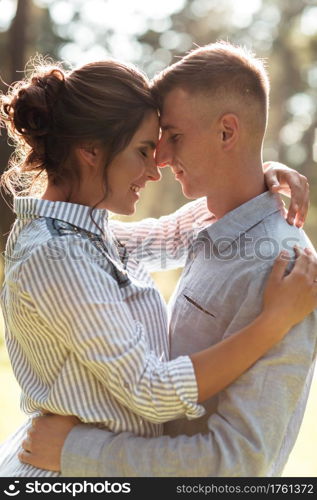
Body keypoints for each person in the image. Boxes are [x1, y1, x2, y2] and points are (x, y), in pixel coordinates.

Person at [0, 52, 315, 477]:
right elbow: (151, 390)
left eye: (171, 138)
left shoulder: (87, 236)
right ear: (91, 151)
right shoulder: (59, 253)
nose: (158, 166)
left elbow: (172, 235)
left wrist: (261, 176)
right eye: (146, 149)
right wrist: (272, 322)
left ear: (227, 132)